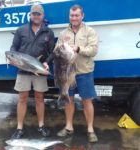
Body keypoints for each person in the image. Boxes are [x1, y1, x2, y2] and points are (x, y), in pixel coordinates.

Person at [10, 4, 55, 139]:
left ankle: (41, 126)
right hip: (23, 69)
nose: (36, 16)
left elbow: (52, 52)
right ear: (30, 15)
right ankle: (19, 128)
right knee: (22, 99)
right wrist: (11, 57)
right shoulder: (21, 30)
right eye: (34, 14)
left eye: (38, 14)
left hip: (39, 70)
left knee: (39, 99)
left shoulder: (48, 32)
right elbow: (14, 47)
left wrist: (47, 62)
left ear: (43, 16)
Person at [56, 4, 99, 142]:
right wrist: (60, 48)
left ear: (82, 16)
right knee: (68, 100)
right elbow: (57, 51)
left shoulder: (90, 31)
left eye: (76, 15)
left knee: (87, 101)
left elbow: (93, 50)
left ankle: (90, 130)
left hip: (84, 72)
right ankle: (69, 127)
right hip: (67, 73)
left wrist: (78, 49)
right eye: (71, 15)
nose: (73, 18)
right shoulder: (63, 33)